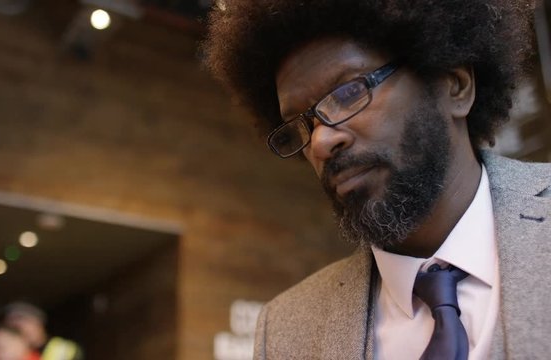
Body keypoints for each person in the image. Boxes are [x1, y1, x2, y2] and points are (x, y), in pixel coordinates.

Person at [203, 0, 551, 359]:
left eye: (349, 92)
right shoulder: (284, 331)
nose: (322, 142)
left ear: (456, 85)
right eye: (302, 124)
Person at [4, 302, 83, 360]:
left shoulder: (62, 348)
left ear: (39, 323)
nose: (16, 328)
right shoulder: (15, 351)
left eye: (21, 319)